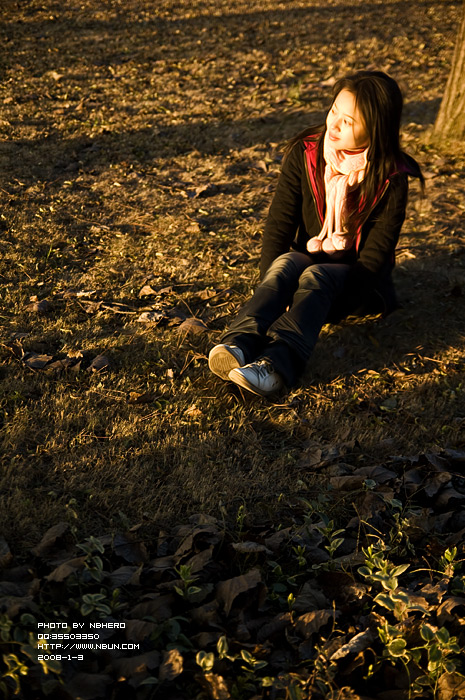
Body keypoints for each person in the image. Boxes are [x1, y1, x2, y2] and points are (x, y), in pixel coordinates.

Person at [208, 70, 424, 397]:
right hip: (306, 256)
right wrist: (275, 289)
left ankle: (276, 366)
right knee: (284, 266)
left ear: (376, 129)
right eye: (334, 110)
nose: (333, 124)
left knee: (317, 276)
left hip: (352, 277)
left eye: (348, 121)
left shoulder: (391, 176)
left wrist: (339, 308)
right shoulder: (307, 152)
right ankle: (239, 343)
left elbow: (377, 253)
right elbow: (280, 222)